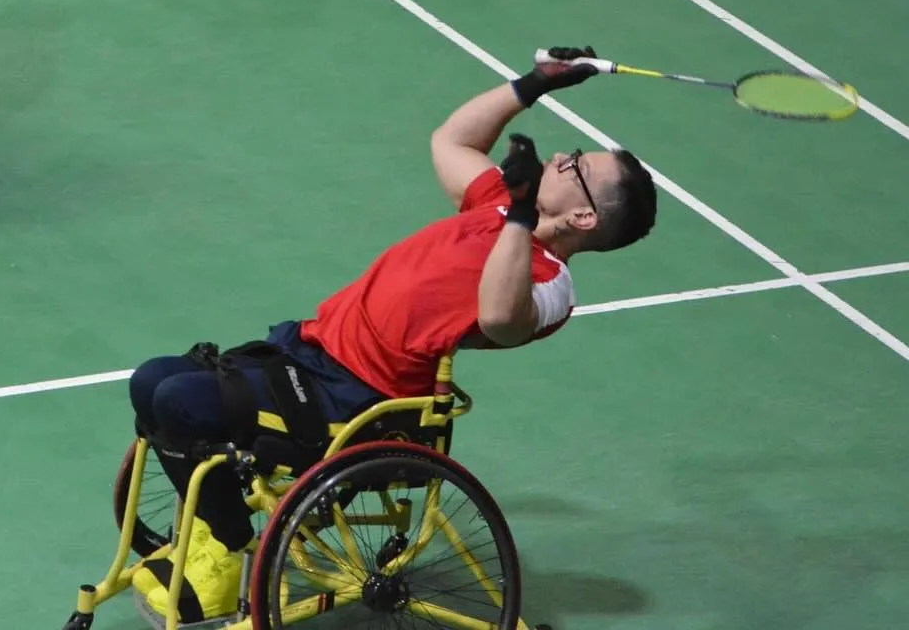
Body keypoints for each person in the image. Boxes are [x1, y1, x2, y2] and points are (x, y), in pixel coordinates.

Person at [127, 47, 658, 622]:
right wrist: (533, 84)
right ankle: (212, 539)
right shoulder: (499, 206)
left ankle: (226, 556)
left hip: (356, 400)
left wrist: (524, 218)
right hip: (310, 350)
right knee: (153, 380)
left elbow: (503, 319)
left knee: (180, 402)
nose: (560, 156)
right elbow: (450, 142)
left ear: (584, 218)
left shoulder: (552, 283)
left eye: (576, 164)